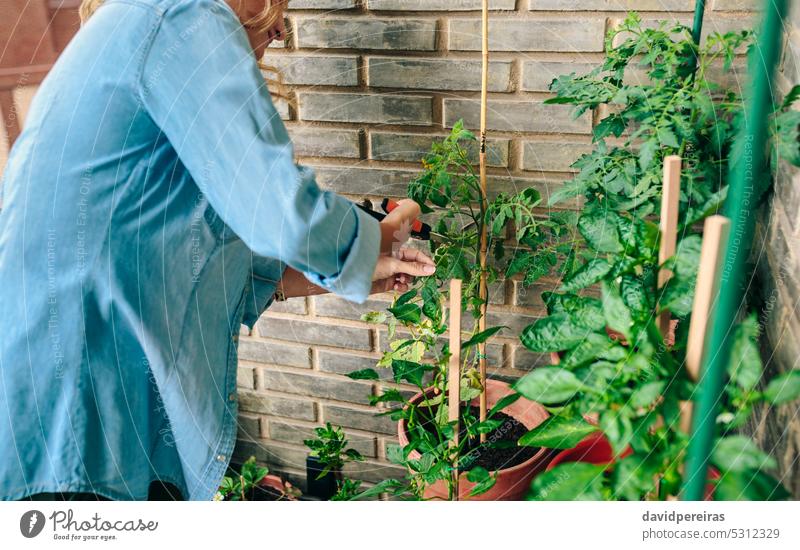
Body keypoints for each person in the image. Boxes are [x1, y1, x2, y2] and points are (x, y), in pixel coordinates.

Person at [0, 0, 434, 501]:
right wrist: (371, 239)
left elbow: (213, 253)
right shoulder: (179, 13)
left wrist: (352, 268)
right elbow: (278, 208)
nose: (281, 26)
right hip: (74, 407)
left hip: (85, 396)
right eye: (276, 8)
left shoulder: (146, 23)